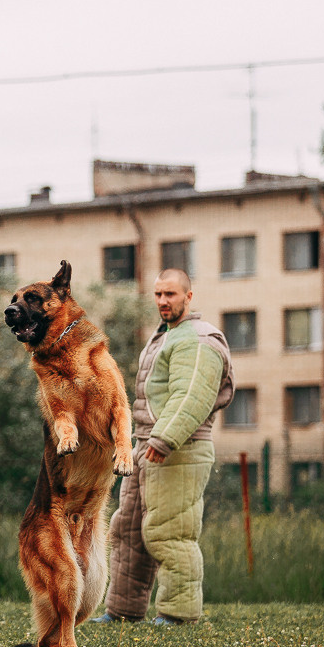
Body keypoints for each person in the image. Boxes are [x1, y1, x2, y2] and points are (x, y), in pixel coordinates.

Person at [93, 268, 234, 626]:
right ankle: (123, 610)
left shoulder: (199, 339)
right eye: (158, 295)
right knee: (128, 529)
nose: (162, 301)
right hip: (147, 443)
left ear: (189, 296)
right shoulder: (166, 336)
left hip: (178, 448)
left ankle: (179, 613)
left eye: (170, 294)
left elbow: (192, 397)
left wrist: (164, 438)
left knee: (171, 531)